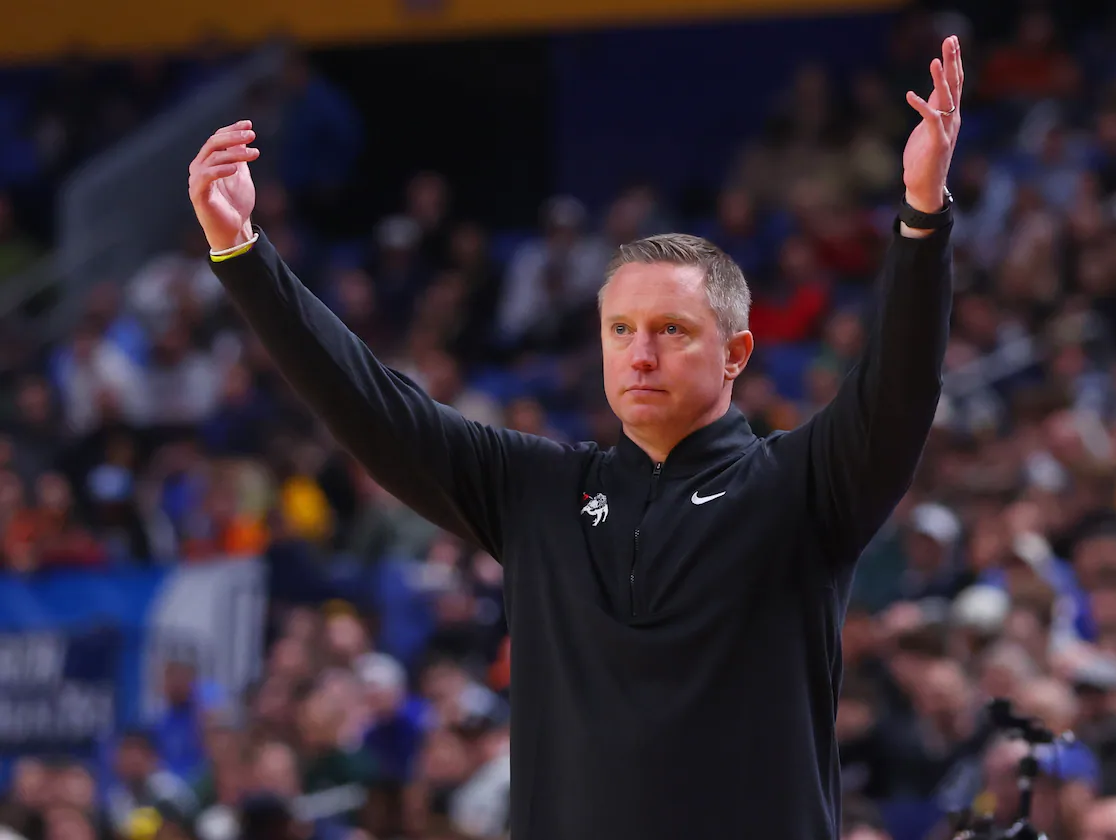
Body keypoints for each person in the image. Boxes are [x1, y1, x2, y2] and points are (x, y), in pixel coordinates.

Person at [187, 36, 964, 840]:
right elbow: (373, 407)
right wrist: (242, 255)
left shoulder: (801, 486)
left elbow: (899, 390)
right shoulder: (536, 491)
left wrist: (920, 218)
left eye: (671, 329)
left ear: (736, 353)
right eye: (620, 329)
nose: (641, 352)